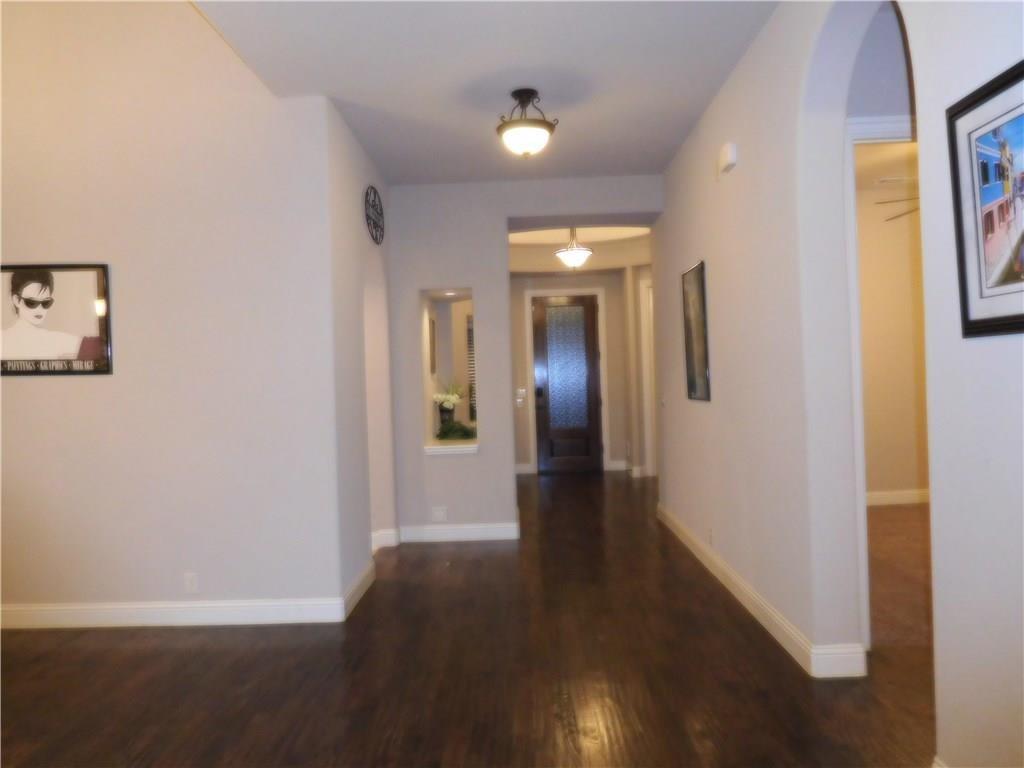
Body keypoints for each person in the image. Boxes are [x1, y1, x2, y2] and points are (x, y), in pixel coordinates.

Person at [2, 268, 82, 360]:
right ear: (16, 300)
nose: (39, 308)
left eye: (45, 302)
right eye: (31, 302)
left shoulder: (55, 340)